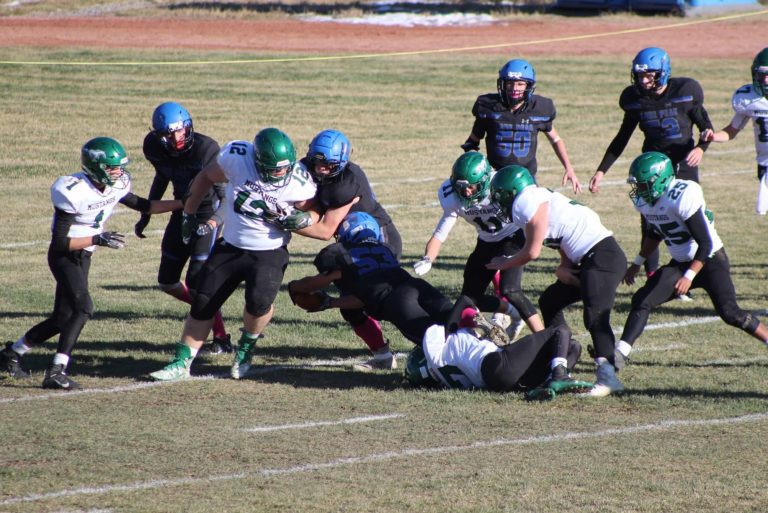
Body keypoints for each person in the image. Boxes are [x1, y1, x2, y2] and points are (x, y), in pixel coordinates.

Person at [0, 137, 182, 389]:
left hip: (83, 254)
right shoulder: (73, 190)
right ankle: (56, 370)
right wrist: (98, 237)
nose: (118, 172)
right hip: (65, 256)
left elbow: (146, 206)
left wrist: (184, 203)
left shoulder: (115, 186)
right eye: (112, 167)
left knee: (62, 317)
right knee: (83, 308)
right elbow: (60, 243)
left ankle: (11, 354)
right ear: (95, 167)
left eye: (119, 166)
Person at [148, 128, 318, 382]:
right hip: (231, 245)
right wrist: (189, 212)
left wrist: (304, 219)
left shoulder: (300, 181)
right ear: (258, 160)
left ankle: (246, 348)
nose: (279, 174)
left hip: (269, 251)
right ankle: (182, 362)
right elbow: (206, 176)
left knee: (258, 303)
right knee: (203, 301)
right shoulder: (238, 157)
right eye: (273, 169)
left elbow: (313, 211)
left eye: (284, 168)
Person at [615, 152, 768, 368]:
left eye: (642, 185)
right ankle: (620, 353)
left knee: (731, 313)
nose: (638, 190)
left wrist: (689, 276)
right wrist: (637, 263)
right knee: (642, 299)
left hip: (710, 260)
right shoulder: (646, 202)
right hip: (681, 263)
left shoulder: (681, 196)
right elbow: (656, 233)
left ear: (660, 180)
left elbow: (705, 243)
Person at [487, 165, 627, 397]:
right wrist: (564, 266)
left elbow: (532, 252)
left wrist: (506, 262)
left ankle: (608, 377)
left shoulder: (526, 201)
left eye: (501, 196)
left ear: (512, 192)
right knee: (550, 300)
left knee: (595, 315)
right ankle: (559, 362)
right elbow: (562, 235)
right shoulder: (536, 197)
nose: (500, 203)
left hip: (603, 257)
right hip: (591, 258)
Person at [288, 212, 519, 353]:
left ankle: (478, 353)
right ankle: (473, 322)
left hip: (396, 302)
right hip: (415, 286)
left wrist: (295, 286)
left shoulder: (341, 255)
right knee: (450, 315)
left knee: (437, 343)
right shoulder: (383, 250)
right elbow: (363, 296)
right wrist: (331, 303)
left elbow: (313, 284)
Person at [589, 47, 713, 279]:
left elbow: (706, 128)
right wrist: (601, 170)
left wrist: (701, 148)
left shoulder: (685, 91)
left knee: (689, 219)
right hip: (652, 167)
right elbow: (622, 137)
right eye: (639, 75)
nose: (643, 80)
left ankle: (693, 273)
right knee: (651, 221)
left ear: (663, 73)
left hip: (683, 163)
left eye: (649, 75)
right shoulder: (633, 99)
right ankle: (653, 276)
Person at [296, 129, 402, 371]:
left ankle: (428, 343)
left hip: (379, 242)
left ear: (341, 163)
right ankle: (383, 357)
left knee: (383, 302)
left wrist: (285, 222)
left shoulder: (344, 185)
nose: (320, 169)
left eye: (327, 165)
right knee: (350, 306)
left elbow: (324, 230)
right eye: (317, 162)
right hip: (350, 244)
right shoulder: (309, 165)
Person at [413, 152, 544, 342]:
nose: (465, 192)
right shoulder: (451, 196)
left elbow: (530, 212)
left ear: (484, 181)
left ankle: (544, 337)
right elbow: (441, 232)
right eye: (460, 187)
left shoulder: (499, 185)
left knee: (510, 290)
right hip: (486, 241)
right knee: (468, 298)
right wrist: (428, 258)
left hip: (513, 237)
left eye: (470, 187)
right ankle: (512, 315)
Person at [135, 101, 231, 355]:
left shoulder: (206, 148)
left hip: (207, 213)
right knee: (167, 281)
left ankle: (220, 337)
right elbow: (162, 176)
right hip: (181, 212)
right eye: (169, 133)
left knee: (197, 282)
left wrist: (214, 222)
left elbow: (225, 196)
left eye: (180, 131)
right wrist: (147, 213)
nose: (177, 138)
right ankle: (207, 311)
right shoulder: (153, 146)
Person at [405, 296, 589, 400]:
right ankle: (558, 376)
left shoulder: (449, 364)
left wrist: (480, 331)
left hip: (499, 377)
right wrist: (459, 324)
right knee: (560, 330)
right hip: (496, 363)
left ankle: (542, 386)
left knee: (572, 347)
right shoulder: (436, 339)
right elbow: (466, 300)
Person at [461, 58, 581, 193]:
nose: (514, 88)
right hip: (495, 176)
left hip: (526, 178)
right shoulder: (488, 108)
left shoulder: (539, 109)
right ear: (503, 84)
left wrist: (568, 167)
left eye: (520, 84)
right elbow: (472, 143)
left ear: (528, 86)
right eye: (510, 84)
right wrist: (475, 172)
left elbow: (555, 139)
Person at [702, 48, 768, 215]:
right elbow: (732, 130)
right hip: (764, 164)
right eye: (762, 75)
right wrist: (713, 136)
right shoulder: (748, 99)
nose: (765, 80)